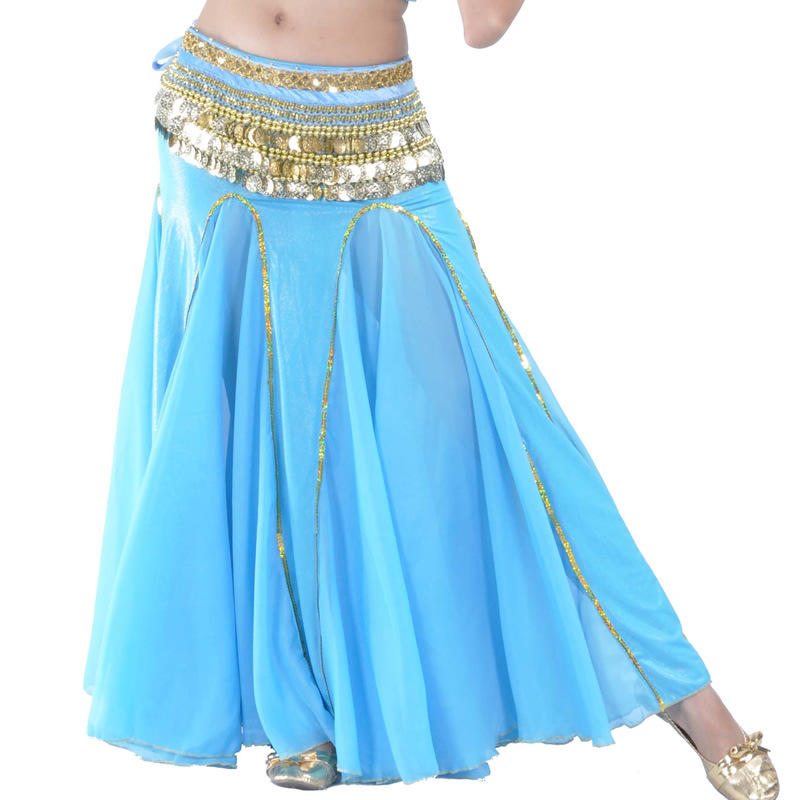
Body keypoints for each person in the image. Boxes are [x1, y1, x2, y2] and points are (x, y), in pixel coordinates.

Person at [82, 1, 779, 797]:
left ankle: (687, 696)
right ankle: (299, 709)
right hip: (215, 109)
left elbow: (483, 24)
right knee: (253, 408)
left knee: (504, 416)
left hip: (370, 140)